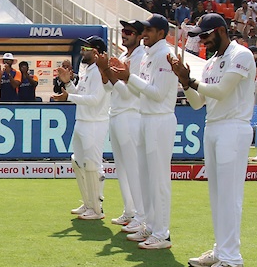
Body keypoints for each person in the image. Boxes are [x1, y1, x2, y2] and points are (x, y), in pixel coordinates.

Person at [171, 14, 256, 267]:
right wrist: (184, 82)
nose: (202, 41)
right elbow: (198, 103)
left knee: (229, 197)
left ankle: (232, 260)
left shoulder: (240, 55)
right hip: (214, 126)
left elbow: (221, 92)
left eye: (205, 35)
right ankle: (222, 251)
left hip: (234, 127)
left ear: (220, 31)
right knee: (218, 196)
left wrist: (191, 80)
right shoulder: (211, 63)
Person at [106, 14, 177, 250]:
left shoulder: (166, 56)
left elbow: (158, 94)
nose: (144, 34)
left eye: (149, 31)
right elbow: (137, 93)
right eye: (143, 31)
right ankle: (150, 224)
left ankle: (162, 232)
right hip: (145, 118)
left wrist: (129, 78)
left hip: (159, 119)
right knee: (146, 178)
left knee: (158, 179)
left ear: (161, 33)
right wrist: (122, 78)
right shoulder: (148, 56)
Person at [53, 35, 110, 220]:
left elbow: (94, 100)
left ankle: (96, 208)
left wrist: (68, 97)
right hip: (82, 121)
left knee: (93, 165)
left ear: (96, 52)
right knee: (77, 161)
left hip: (95, 123)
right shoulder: (86, 70)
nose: (82, 51)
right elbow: (79, 94)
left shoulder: (99, 72)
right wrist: (68, 83)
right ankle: (88, 203)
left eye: (86, 48)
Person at [108, 20, 146, 231]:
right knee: (122, 168)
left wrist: (111, 75)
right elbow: (113, 89)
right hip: (116, 114)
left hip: (131, 114)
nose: (125, 35)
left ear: (139, 36)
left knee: (133, 167)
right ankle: (130, 211)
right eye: (123, 31)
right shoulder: (123, 56)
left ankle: (141, 216)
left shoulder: (140, 57)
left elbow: (129, 92)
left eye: (129, 32)